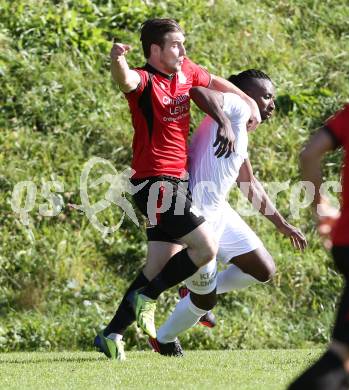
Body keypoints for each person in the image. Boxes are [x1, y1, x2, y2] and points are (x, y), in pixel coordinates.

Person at [94, 18, 262, 360]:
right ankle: (149, 298)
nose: (182, 51)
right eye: (174, 45)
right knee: (205, 247)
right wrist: (117, 61)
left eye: (182, 44)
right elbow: (124, 79)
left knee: (157, 265)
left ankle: (111, 334)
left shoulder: (186, 70)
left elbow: (218, 83)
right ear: (155, 50)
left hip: (176, 182)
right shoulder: (144, 80)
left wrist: (250, 102)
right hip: (155, 182)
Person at [148, 69, 307, 356]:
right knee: (204, 304)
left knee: (263, 269)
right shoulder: (238, 105)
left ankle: (192, 292)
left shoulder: (241, 126)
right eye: (267, 96)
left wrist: (282, 225)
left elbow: (249, 184)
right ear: (246, 93)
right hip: (196, 218)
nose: (271, 103)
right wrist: (224, 121)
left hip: (219, 210)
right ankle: (165, 338)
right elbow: (197, 90)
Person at [288, 104, 349, 390]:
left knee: (342, 355)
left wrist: (320, 208)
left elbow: (310, 153)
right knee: (339, 358)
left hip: (346, 242)